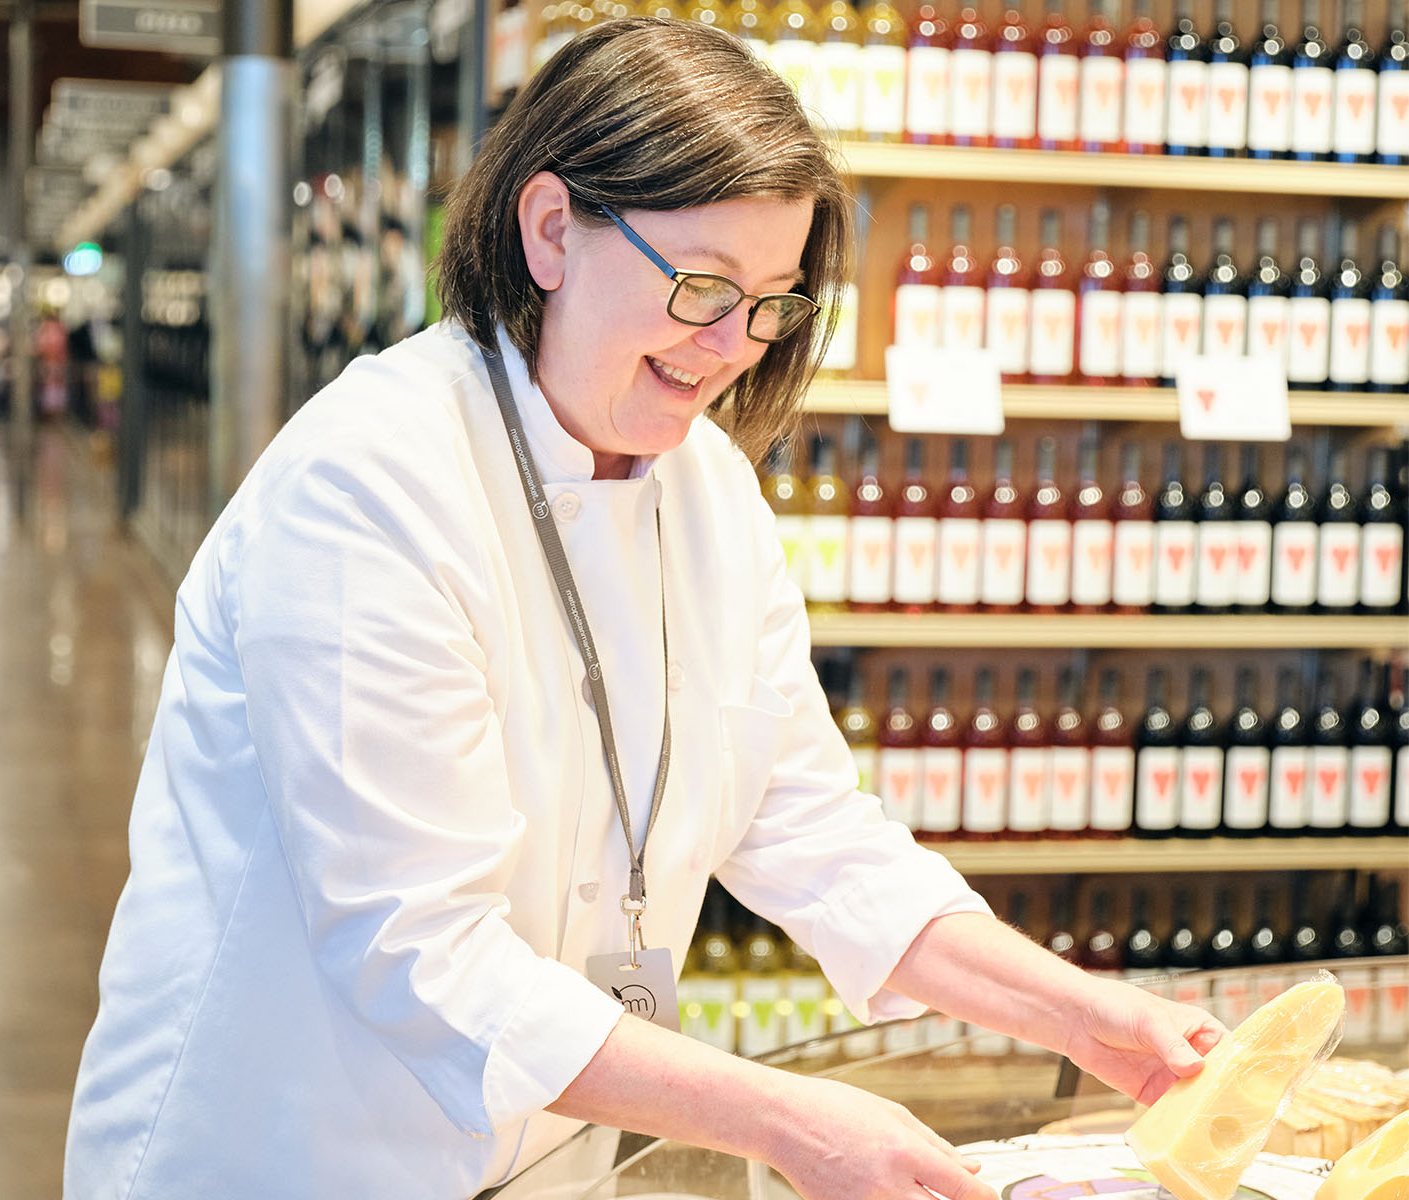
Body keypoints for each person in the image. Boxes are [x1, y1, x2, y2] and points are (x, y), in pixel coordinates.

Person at [64, 19, 1224, 1200]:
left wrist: (1082, 1015)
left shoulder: (710, 491)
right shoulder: (371, 486)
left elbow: (816, 832)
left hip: (551, 1161)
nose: (732, 345)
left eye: (773, 301)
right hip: (287, 1158)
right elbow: (417, 951)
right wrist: (784, 1121)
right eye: (703, 285)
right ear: (553, 229)